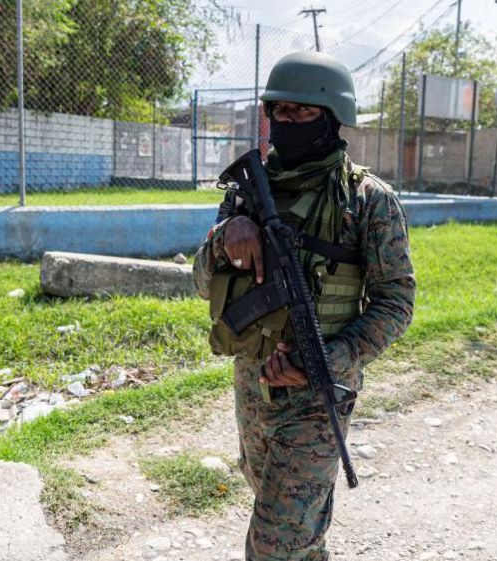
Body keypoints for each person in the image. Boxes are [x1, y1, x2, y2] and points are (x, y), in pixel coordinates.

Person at [192, 50, 415, 560]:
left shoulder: (367, 201)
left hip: (318, 395)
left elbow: (396, 301)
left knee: (273, 544)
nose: (286, 122)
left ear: (333, 119)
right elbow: (203, 284)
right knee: (286, 521)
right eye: (279, 112)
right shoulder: (248, 193)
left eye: (302, 112)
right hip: (253, 385)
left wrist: (327, 363)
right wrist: (227, 236)